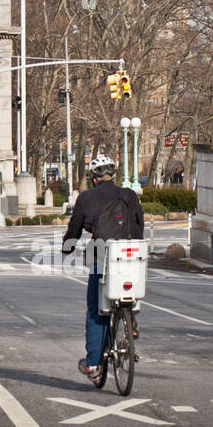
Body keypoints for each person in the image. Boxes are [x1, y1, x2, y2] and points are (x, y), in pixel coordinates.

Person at [62, 155, 144, 383]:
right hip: (131, 257)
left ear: (94, 178)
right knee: (129, 291)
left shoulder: (86, 198)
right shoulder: (129, 195)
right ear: (114, 176)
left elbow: (75, 228)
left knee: (96, 311)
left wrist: (67, 247)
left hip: (103, 257)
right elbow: (139, 224)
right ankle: (130, 320)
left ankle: (94, 365)